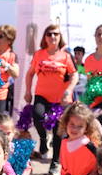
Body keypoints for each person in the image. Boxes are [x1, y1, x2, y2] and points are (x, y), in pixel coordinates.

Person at [24, 24, 77, 162]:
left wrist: (69, 90)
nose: (52, 36)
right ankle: (43, 138)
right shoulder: (39, 54)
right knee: (37, 115)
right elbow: (30, 74)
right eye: (49, 34)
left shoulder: (66, 56)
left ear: (60, 37)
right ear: (45, 38)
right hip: (42, 95)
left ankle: (55, 162)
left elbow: (74, 75)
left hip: (61, 99)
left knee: (58, 130)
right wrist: (28, 91)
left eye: (56, 34)